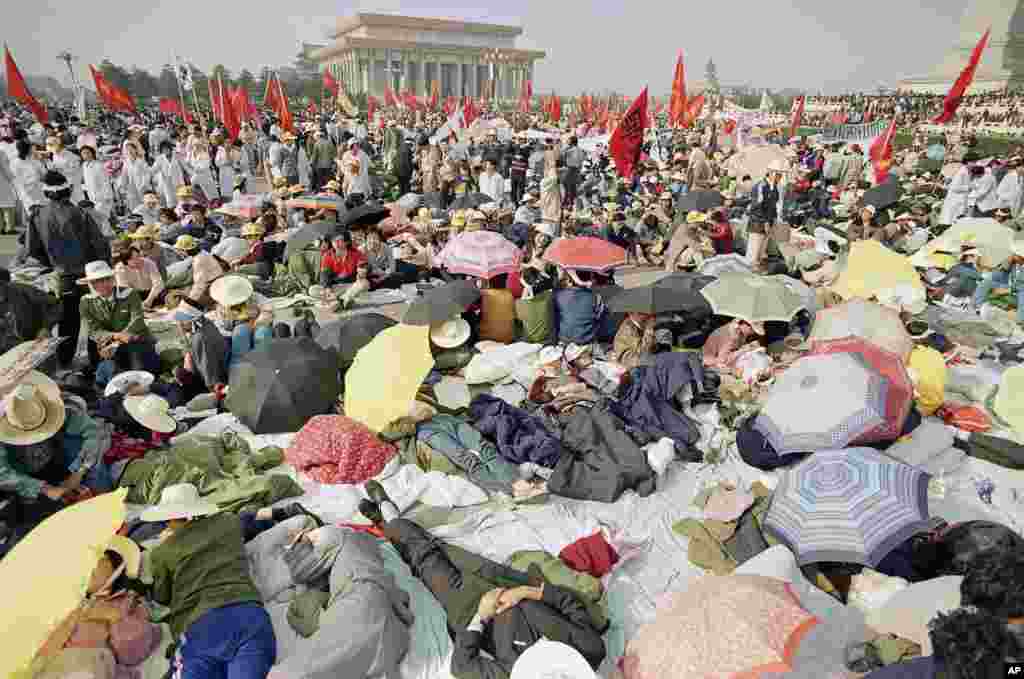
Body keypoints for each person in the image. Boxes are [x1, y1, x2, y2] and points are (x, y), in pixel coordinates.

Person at [357, 482, 606, 679]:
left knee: (426, 559)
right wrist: (526, 592)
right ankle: (388, 520)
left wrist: (481, 618)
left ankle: (387, 518)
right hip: (504, 582)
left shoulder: (512, 673)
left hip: (468, 607)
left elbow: (462, 667)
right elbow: (568, 603)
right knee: (439, 547)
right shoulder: (589, 649)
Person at [142, 483, 276, 679]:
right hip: (250, 615)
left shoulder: (163, 552)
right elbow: (249, 522)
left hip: (201, 626)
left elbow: (162, 597)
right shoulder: (229, 522)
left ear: (169, 518)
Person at [0, 367, 113, 555]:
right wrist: (43, 488)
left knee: (91, 480)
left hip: (54, 461)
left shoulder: (62, 410)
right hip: (19, 476)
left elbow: (94, 434)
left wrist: (79, 471)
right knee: (29, 526)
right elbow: (2, 474)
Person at [24, 170, 111, 367]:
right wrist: (105, 270)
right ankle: (97, 363)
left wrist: (53, 264)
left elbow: (32, 249)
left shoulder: (37, 215)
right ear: (68, 191)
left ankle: (64, 363)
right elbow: (100, 245)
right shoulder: (80, 213)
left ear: (47, 193)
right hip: (89, 275)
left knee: (67, 322)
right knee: (95, 319)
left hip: (63, 275)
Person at [78, 260, 160, 389]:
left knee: (141, 376)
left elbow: (137, 321)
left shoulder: (130, 294)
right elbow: (93, 331)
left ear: (112, 279)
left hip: (136, 342)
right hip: (109, 347)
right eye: (97, 281)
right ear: (90, 284)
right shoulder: (86, 302)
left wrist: (116, 340)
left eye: (106, 279)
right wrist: (115, 337)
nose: (103, 284)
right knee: (112, 378)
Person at [112, 238, 165, 310]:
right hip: (135, 294)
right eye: (133, 259)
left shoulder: (149, 263)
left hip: (151, 292)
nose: (138, 260)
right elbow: (124, 289)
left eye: (138, 256)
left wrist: (149, 300)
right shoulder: (120, 268)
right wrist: (137, 304)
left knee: (165, 296)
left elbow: (158, 283)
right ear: (126, 262)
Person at [747, 168, 783, 270]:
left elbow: (773, 205)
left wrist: (774, 219)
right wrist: (765, 222)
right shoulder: (760, 186)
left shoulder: (774, 186)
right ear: (772, 174)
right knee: (755, 248)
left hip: (768, 220)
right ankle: (751, 268)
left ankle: (757, 266)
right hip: (757, 221)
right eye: (779, 176)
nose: (780, 178)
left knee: (762, 248)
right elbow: (757, 206)